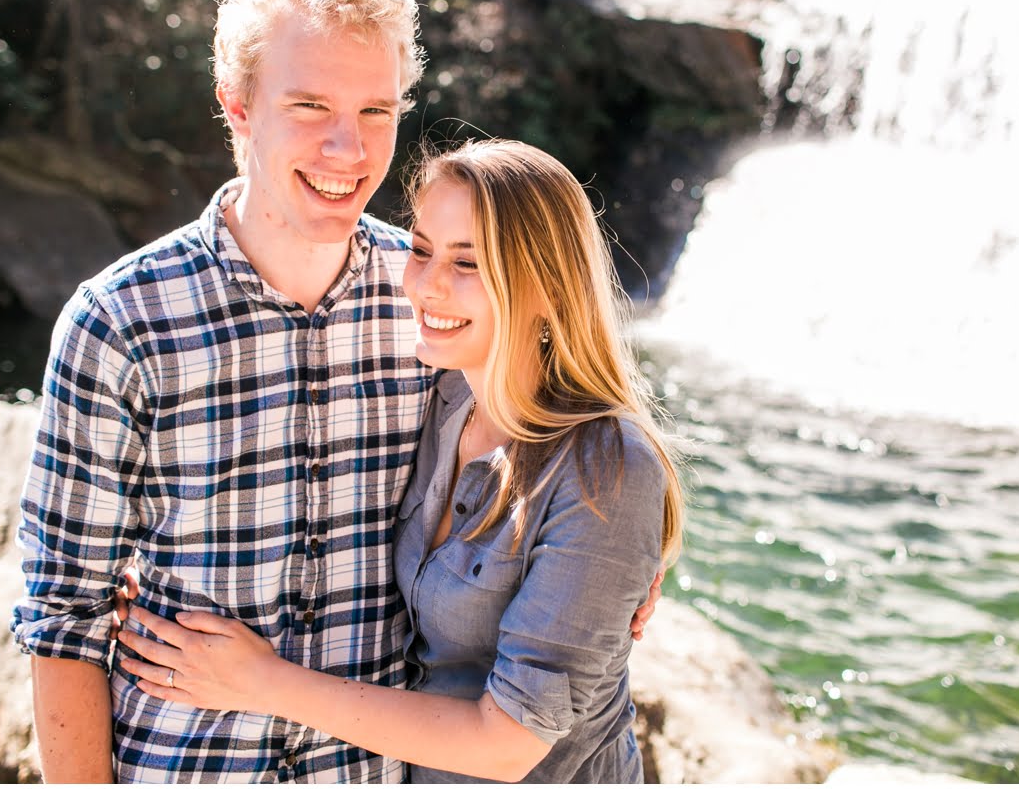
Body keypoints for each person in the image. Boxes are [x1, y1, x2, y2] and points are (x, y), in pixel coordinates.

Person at [11, 0, 660, 784]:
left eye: (376, 113)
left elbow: (564, 430)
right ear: (238, 107)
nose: (348, 152)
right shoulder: (121, 323)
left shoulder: (432, 300)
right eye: (311, 108)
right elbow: (64, 615)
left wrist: (626, 577)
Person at [114, 138, 686, 783]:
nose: (428, 286)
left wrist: (262, 683)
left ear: (549, 287)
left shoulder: (604, 471)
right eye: (421, 250)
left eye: (469, 264)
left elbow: (507, 744)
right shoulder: (441, 396)